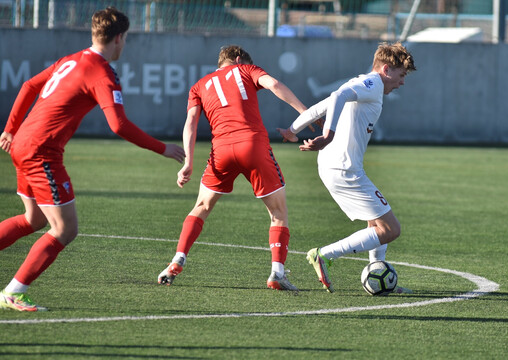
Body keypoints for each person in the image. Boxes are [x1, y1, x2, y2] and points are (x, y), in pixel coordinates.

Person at [0, 7, 185, 312]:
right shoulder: (101, 72)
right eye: (125, 39)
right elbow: (118, 125)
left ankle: (14, 290)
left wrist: (10, 128)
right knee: (64, 229)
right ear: (119, 38)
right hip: (41, 153)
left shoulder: (71, 59)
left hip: (23, 143)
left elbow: (29, 85)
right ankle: (13, 292)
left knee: (33, 219)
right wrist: (161, 148)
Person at [157, 45, 308, 291]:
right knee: (278, 213)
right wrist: (305, 113)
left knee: (202, 206)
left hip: (221, 151)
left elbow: (191, 123)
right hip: (253, 145)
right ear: (238, 59)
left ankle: (177, 259)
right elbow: (274, 85)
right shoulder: (246, 69)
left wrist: (188, 162)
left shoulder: (199, 85)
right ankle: (277, 273)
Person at [278, 42, 416, 293]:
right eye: (401, 75)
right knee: (390, 229)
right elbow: (338, 97)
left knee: (376, 220)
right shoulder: (373, 84)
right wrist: (328, 136)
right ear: (386, 69)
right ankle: (324, 255)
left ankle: (378, 271)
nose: (402, 82)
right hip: (344, 169)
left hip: (339, 167)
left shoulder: (364, 83)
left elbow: (326, 103)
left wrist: (292, 130)